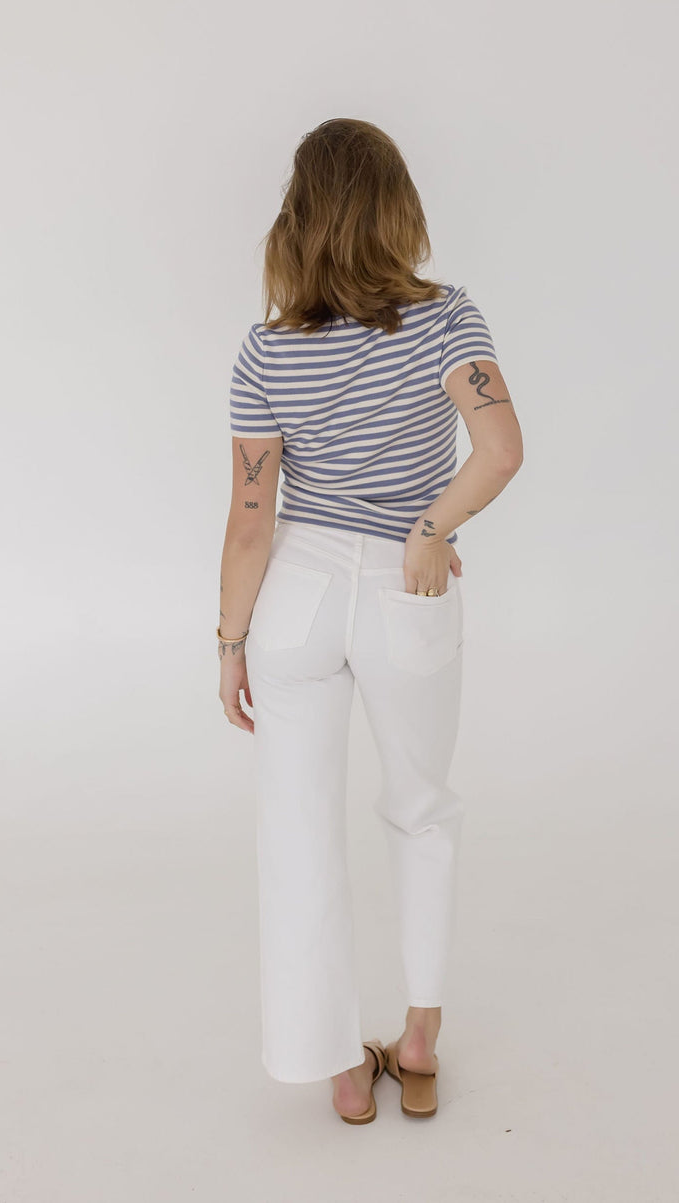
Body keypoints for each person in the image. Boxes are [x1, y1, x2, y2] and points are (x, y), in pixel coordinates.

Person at [217, 117, 523, 1123]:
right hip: (406, 592)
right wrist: (429, 529)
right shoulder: (447, 320)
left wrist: (229, 645)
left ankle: (341, 1071)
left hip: (295, 598)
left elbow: (250, 521)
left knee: (296, 826)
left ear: (297, 217)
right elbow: (499, 449)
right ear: (398, 208)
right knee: (421, 807)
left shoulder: (266, 349)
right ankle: (420, 1038)